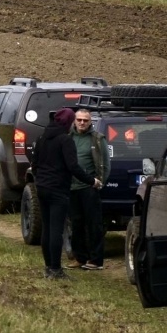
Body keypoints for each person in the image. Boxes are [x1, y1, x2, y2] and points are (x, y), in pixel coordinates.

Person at [31, 108, 85, 280]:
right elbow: (73, 166)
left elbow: (35, 164)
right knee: (56, 230)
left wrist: (40, 180)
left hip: (42, 187)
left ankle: (48, 267)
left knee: (47, 228)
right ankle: (56, 269)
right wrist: (91, 180)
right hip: (58, 189)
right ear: (68, 123)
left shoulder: (42, 138)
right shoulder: (65, 140)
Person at [68, 109, 107, 270]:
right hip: (72, 188)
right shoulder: (68, 138)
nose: (82, 122)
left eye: (85, 120)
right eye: (79, 120)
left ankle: (96, 260)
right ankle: (80, 258)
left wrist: (99, 183)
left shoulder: (97, 139)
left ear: (90, 122)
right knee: (76, 224)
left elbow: (105, 164)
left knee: (94, 224)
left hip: (89, 187)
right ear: (74, 121)